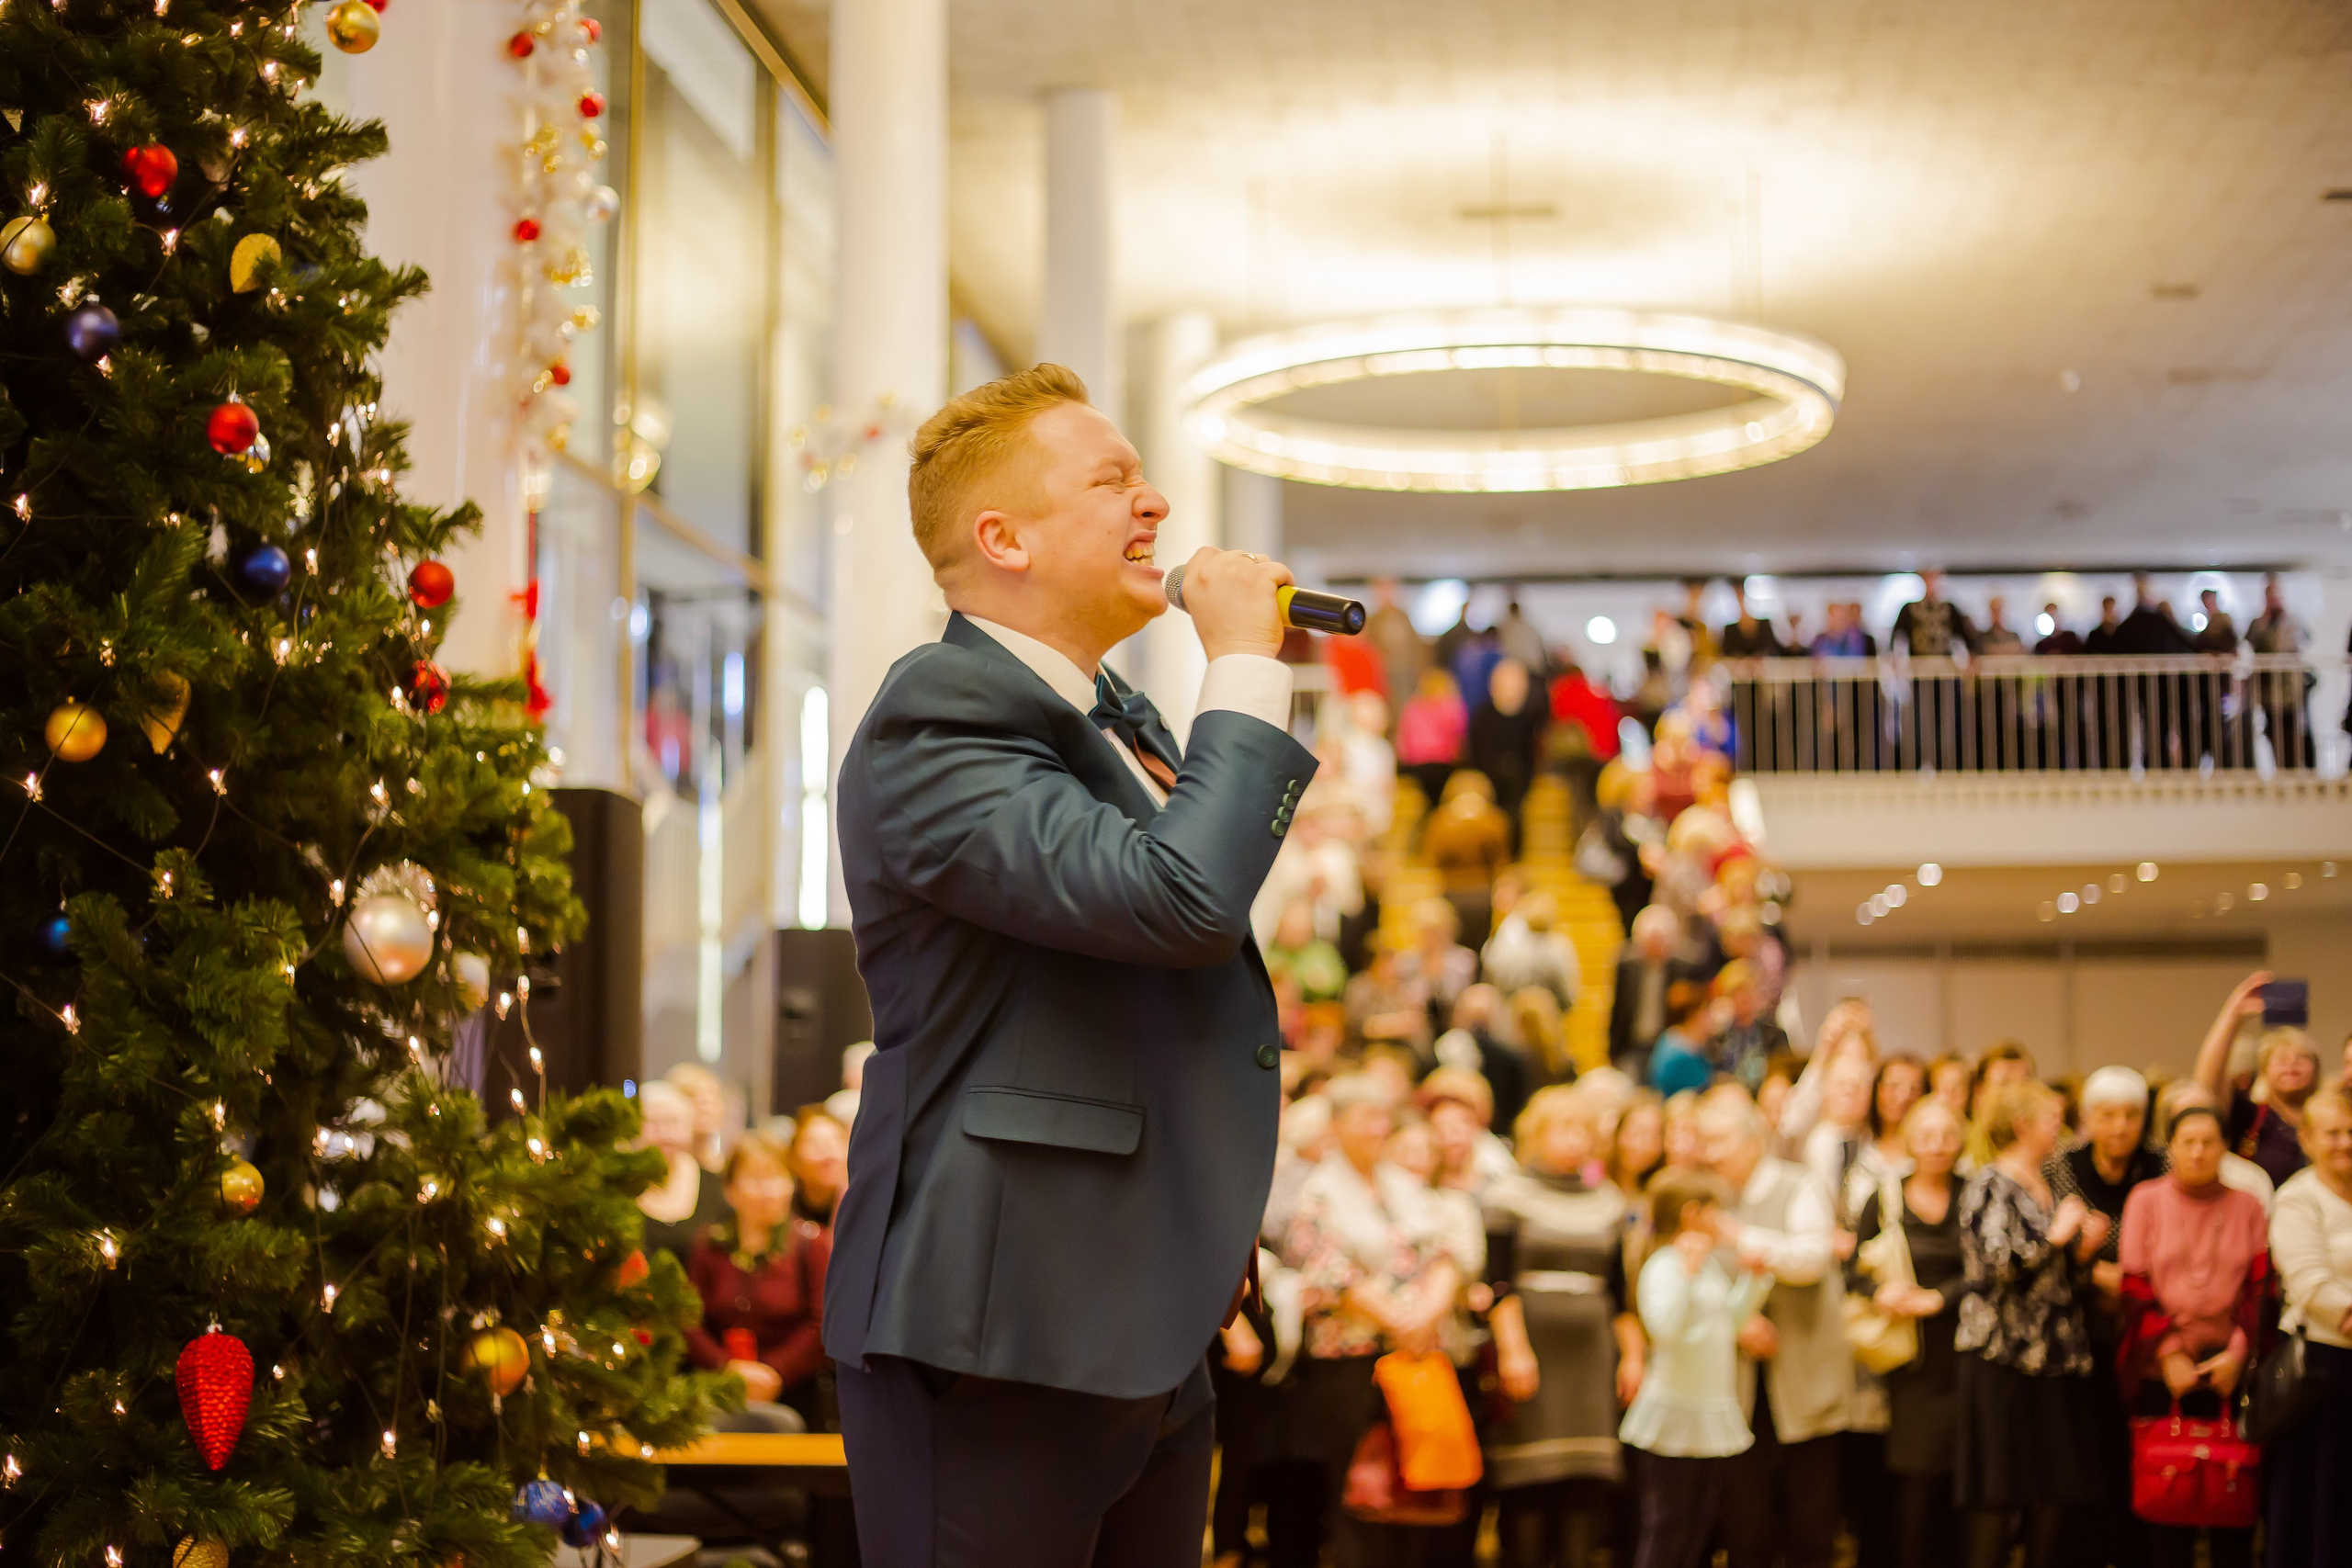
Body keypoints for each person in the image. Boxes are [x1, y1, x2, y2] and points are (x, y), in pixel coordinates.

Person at [825, 364, 1318, 1567]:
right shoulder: (936, 716)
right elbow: (1181, 896)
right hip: (1002, 1320)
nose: (1154, 503)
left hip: (1138, 1319)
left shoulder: (1103, 716)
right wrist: (1244, 668)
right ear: (1002, 537)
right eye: (1114, 479)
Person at [1287, 1077, 1471, 1568]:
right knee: (1360, 1488)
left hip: (1415, 1356)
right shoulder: (1319, 1190)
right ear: (1337, 1124)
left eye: (1381, 1116)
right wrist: (1396, 1319)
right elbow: (1329, 1270)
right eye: (1364, 1117)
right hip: (1351, 1359)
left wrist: (1427, 1312)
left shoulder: (1405, 1185)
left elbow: (1445, 1254)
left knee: (1416, 1483)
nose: (1376, 1127)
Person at [1484, 1089, 1645, 1568]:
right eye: (1562, 1128)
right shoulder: (1507, 1195)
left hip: (1591, 1358)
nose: (1574, 1140)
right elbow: (1496, 1283)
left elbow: (1620, 1293)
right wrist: (1514, 1350)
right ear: (1536, 1133)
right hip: (1532, 1352)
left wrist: (1632, 1357)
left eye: (1582, 1130)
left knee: (1585, 1488)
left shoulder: (1608, 1202)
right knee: (1529, 1489)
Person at [1952, 1081, 2108, 1568]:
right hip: (2004, 1358)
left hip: (2056, 1356)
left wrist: (2082, 1252)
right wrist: (2057, 1238)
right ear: (2022, 1125)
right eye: (2050, 1119)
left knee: (2056, 1489)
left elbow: (2062, 1279)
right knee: (1999, 1493)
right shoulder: (1988, 1183)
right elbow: (1998, 1265)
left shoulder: (2051, 1180)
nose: (2058, 1130)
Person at [1699, 1090, 1853, 1568]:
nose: (1709, 1152)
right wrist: (1736, 1321)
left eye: (1719, 1141)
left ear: (1752, 1141)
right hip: (1737, 1382)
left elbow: (1811, 1259)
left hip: (1804, 1372)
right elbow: (1695, 1277)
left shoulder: (1798, 1184)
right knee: (1746, 1526)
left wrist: (1739, 1236)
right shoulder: (1706, 1196)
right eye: (1704, 1141)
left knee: (1811, 1522)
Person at [2115, 1102, 2270, 1568]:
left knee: (2230, 1500)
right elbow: (2134, 1285)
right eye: (2188, 1142)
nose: (2199, 1152)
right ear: (2172, 1148)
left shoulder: (2247, 1205)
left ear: (2225, 1147)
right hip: (2161, 1368)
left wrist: (2239, 1354)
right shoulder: (2146, 1198)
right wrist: (2168, 1355)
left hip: (2231, 1370)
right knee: (2168, 1503)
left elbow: (2261, 1288)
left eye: (2209, 1142)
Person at [1617, 1168, 1773, 1568]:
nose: (1722, 1221)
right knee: (1667, 1524)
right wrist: (1685, 1273)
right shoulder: (1665, 1265)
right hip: (1674, 1413)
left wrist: (1754, 1281)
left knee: (1697, 1524)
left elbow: (1729, 1324)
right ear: (1692, 1214)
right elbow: (1663, 1329)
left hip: (1707, 1408)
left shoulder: (1706, 1267)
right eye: (1715, 1211)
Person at [2044, 1065, 2165, 1568]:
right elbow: (2049, 1242)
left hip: (2148, 1327)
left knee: (2134, 1453)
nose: (2120, 1127)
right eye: (2108, 1115)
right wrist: (2097, 1277)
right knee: (2082, 1452)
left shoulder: (2162, 1164)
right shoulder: (2061, 1166)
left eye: (2132, 1115)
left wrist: (2133, 1282)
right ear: (2088, 1119)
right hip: (2077, 1330)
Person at [1848, 1100, 1967, 1568]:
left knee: (1960, 1481)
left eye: (1947, 1136)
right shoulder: (1885, 1196)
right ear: (1910, 1140)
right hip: (1910, 1356)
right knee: (1916, 1478)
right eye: (1927, 1135)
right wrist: (1882, 1292)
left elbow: (1990, 1269)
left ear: (1960, 1142)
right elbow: (1853, 1269)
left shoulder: (1973, 1192)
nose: (1937, 1146)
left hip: (1965, 1351)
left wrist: (1941, 1298)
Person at [2266, 1081, 2352, 1568]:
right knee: (2320, 1498)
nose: (2345, 1142)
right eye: (2333, 1133)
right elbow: (2312, 1287)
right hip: (2321, 1367)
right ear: (2308, 1140)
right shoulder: (2298, 1199)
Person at [687, 1133, 832, 1418]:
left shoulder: (811, 1244)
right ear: (730, 1190)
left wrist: (773, 1372)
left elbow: (822, 1323)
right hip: (719, 1391)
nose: (770, 1191)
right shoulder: (710, 1246)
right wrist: (727, 1367)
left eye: (778, 1178)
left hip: (796, 1395)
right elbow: (688, 1320)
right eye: (755, 1179)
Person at [2193, 969, 2318, 1189]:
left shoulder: (2333, 1118)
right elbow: (2206, 1089)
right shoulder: (2251, 1116)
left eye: (2302, 1058)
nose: (2291, 1065)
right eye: (2281, 1059)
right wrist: (2233, 1016)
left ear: (2316, 1069)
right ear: (2263, 1071)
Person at [637, 1079, 730, 1261]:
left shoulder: (715, 1185)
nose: (665, 1134)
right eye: (653, 1123)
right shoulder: (617, 1187)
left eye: (674, 1122)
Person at [1610, 906, 1699, 1077]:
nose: (1654, 950)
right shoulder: (1627, 965)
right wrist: (1613, 1052)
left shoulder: (1685, 968)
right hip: (1634, 1045)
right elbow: (1618, 1009)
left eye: (1659, 943)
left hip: (1668, 1045)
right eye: (1649, 944)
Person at [1469, 658, 1549, 833]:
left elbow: (1532, 752)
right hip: (1488, 777)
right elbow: (1475, 749)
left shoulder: (1528, 718)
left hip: (1518, 779)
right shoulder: (1483, 717)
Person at [1396, 668, 1470, 806]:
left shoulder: (1412, 707)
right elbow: (1459, 734)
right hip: (1442, 763)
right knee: (1441, 803)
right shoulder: (1449, 706)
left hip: (1416, 765)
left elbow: (1403, 741)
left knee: (1420, 803)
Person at [1363, 576, 1430, 717]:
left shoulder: (1403, 617)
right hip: (1383, 679)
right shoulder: (1373, 620)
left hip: (1406, 678)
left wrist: (1419, 674)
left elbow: (1416, 648)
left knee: (1405, 714)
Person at [788, 1109, 851, 1228]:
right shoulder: (782, 1205)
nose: (828, 1150)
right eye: (814, 1142)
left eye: (836, 1140)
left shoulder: (862, 1204)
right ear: (793, 1158)